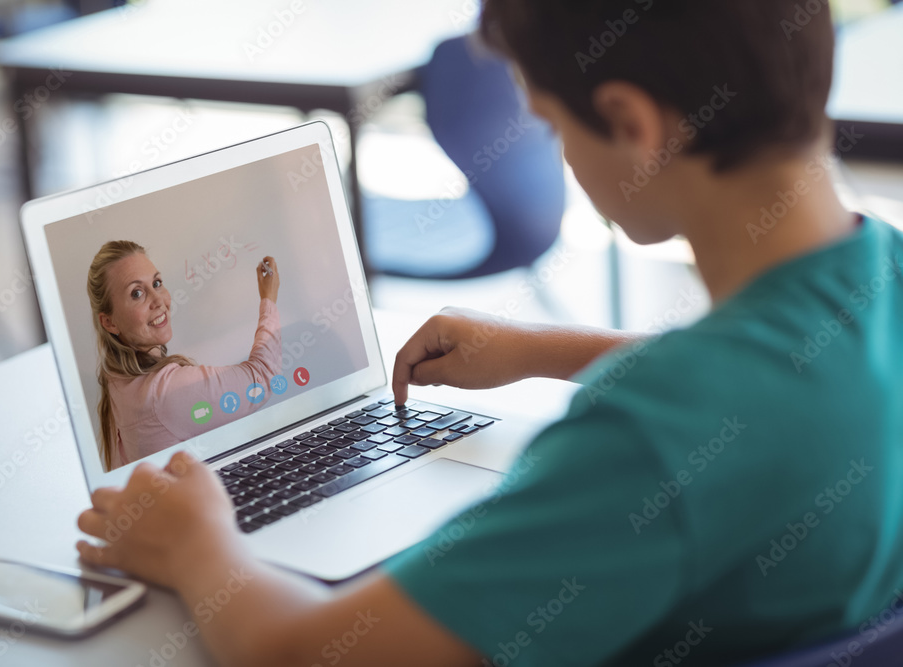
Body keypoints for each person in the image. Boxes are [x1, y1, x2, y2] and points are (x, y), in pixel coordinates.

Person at [75, 1, 903, 664]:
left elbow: (310, 650)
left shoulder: (644, 447)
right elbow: (780, 379)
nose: (562, 152)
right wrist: (544, 349)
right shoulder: (880, 275)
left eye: (550, 125)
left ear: (632, 124)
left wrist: (198, 548)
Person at [86, 240, 282, 470]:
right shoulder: (167, 392)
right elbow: (263, 377)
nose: (159, 300)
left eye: (157, 283)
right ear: (109, 322)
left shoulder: (116, 380)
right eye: (137, 293)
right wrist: (268, 298)